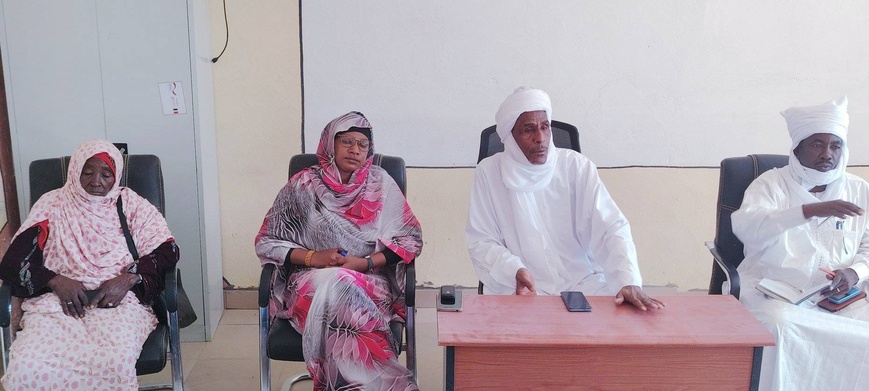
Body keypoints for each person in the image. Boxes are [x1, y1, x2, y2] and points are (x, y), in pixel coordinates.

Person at [255, 111, 422, 391]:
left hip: (370, 282)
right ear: (330, 143)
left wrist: (363, 263)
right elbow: (268, 240)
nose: (355, 150)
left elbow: (410, 240)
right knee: (336, 281)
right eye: (347, 141)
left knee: (341, 282)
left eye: (362, 144)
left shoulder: (380, 182)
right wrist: (314, 258)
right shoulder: (302, 185)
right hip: (309, 281)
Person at [0, 139, 179, 390]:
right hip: (57, 303)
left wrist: (129, 278)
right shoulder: (52, 204)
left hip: (119, 302)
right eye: (87, 172)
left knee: (112, 362)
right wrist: (55, 280)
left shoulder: (132, 205)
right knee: (26, 367)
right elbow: (14, 262)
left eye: (106, 174)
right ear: (74, 172)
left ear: (116, 176)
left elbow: (166, 250)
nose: (96, 181)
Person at [466, 87, 664, 310]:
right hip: (521, 287)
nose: (540, 138)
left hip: (583, 282)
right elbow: (481, 241)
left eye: (544, 127)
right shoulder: (489, 173)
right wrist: (514, 270)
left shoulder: (577, 167)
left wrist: (627, 279)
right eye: (528, 130)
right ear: (510, 137)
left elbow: (611, 227)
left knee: (623, 327)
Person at [732, 97, 869, 390]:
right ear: (797, 148)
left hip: (839, 295)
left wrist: (855, 271)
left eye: (835, 145)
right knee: (779, 326)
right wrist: (809, 210)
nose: (827, 154)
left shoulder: (858, 189)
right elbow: (748, 228)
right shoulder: (770, 184)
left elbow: (868, 247)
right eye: (817, 144)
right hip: (773, 289)